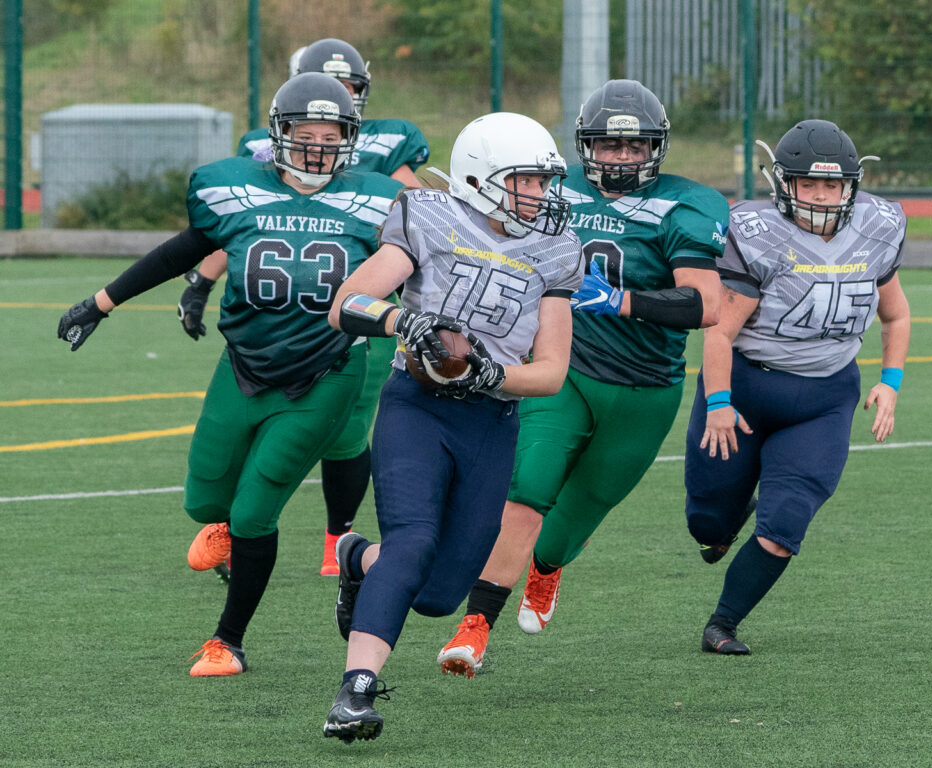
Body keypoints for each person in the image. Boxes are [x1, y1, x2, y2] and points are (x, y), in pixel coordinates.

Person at [57, 72, 404, 676]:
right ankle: (226, 527)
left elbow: (423, 268)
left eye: (332, 135)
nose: (319, 147)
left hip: (324, 374)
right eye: (306, 133)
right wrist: (100, 302)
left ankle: (228, 641)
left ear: (350, 138)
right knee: (205, 498)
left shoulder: (377, 200)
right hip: (242, 365)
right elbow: (185, 248)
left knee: (254, 512)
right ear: (279, 135)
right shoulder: (231, 188)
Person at [435, 79, 729, 679]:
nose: (620, 157)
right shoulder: (547, 182)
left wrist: (622, 300)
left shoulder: (687, 205)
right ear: (583, 144)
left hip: (646, 387)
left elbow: (707, 305)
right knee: (529, 488)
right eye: (607, 145)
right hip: (562, 369)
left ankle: (548, 567)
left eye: (634, 146)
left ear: (657, 148)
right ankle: (475, 627)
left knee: (573, 520)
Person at [320, 112, 585, 742]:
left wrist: (484, 375)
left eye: (544, 182)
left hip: (491, 417)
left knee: (441, 594)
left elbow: (549, 372)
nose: (540, 195)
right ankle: (354, 690)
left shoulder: (555, 247)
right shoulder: (426, 215)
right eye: (525, 180)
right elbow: (347, 304)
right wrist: (399, 324)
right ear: (479, 177)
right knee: (413, 540)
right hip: (416, 404)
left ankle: (359, 559)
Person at [179, 37, 431, 577]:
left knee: (345, 436)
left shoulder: (388, 144)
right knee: (250, 428)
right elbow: (249, 226)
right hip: (276, 322)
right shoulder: (264, 151)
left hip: (350, 325)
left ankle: (336, 535)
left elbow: (420, 213)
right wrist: (202, 279)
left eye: (349, 89)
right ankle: (231, 521)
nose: (338, 98)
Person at [685, 119, 911, 655]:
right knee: (706, 524)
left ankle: (723, 622)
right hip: (745, 389)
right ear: (782, 184)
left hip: (824, 397)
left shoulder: (877, 228)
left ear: (850, 185)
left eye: (831, 185)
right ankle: (725, 521)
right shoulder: (756, 233)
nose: (820, 196)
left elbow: (896, 316)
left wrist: (890, 382)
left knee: (786, 521)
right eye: (807, 184)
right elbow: (720, 329)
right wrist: (718, 402)